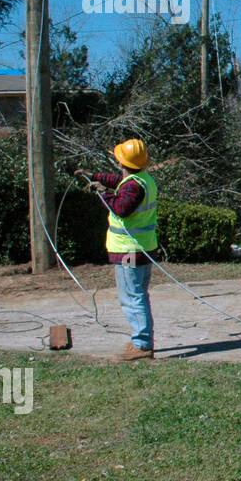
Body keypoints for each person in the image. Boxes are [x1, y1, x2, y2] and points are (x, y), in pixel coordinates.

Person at [75, 138, 159, 361]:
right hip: (143, 247)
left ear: (122, 162)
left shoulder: (133, 186)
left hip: (130, 252)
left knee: (132, 296)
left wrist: (102, 192)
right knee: (138, 294)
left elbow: (121, 207)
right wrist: (94, 176)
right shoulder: (142, 179)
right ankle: (143, 340)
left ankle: (142, 345)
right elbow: (119, 182)